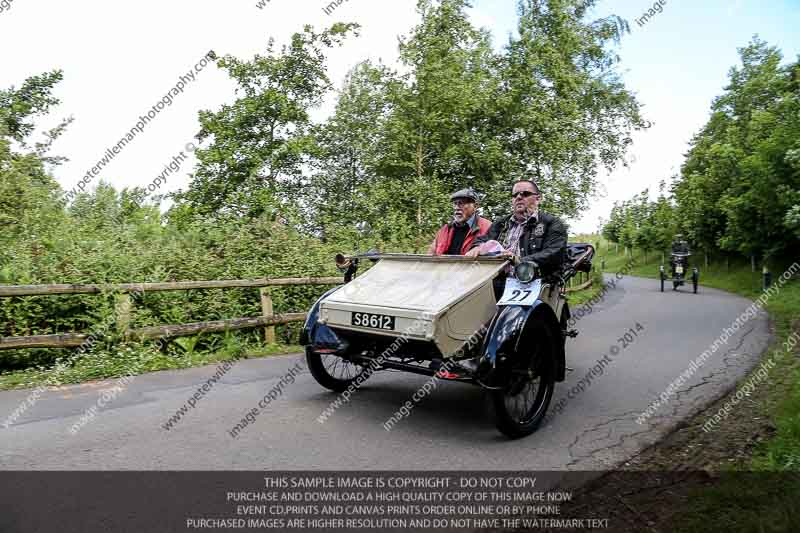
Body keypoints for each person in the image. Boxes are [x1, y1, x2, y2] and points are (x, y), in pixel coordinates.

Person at [466, 179, 567, 275]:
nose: (518, 197)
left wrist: (517, 260)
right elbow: (483, 239)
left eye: (525, 194)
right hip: (497, 278)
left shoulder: (551, 223)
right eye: (515, 195)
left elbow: (554, 253)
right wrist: (477, 247)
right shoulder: (500, 223)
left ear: (538, 199)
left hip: (533, 279)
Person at [428, 188, 492, 256]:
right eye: (455, 204)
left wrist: (481, 249)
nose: (457, 208)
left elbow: (496, 250)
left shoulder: (487, 227)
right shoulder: (445, 230)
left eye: (461, 203)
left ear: (475, 206)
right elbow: (430, 255)